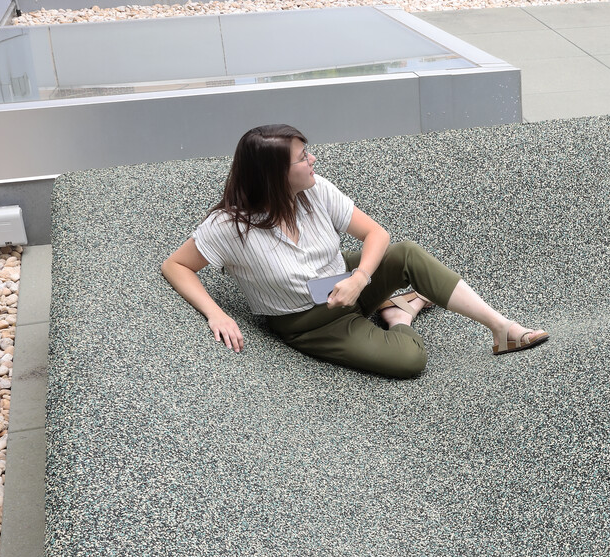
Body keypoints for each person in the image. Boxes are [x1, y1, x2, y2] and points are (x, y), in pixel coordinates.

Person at [161, 124, 548, 378]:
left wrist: (361, 277)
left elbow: (376, 233)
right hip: (309, 322)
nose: (313, 160)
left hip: (345, 281)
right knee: (410, 362)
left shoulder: (316, 190)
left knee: (406, 253)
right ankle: (401, 313)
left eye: (307, 152)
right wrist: (216, 314)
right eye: (302, 158)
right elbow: (176, 265)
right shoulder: (231, 226)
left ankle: (503, 329)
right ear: (274, 175)